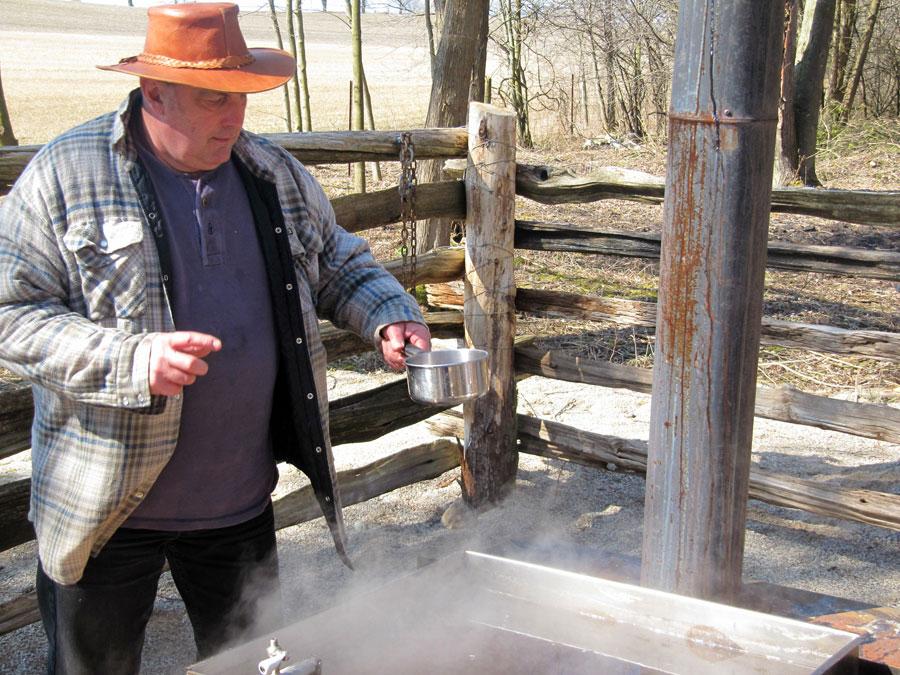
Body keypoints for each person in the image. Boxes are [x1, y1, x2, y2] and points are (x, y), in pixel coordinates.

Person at [0, 3, 430, 672]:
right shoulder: (65, 175)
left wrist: (388, 312)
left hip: (235, 502)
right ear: (154, 93)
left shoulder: (270, 172)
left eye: (240, 97)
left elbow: (339, 262)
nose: (233, 117)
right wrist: (128, 359)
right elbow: (11, 314)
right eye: (212, 99)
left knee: (253, 663)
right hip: (103, 508)